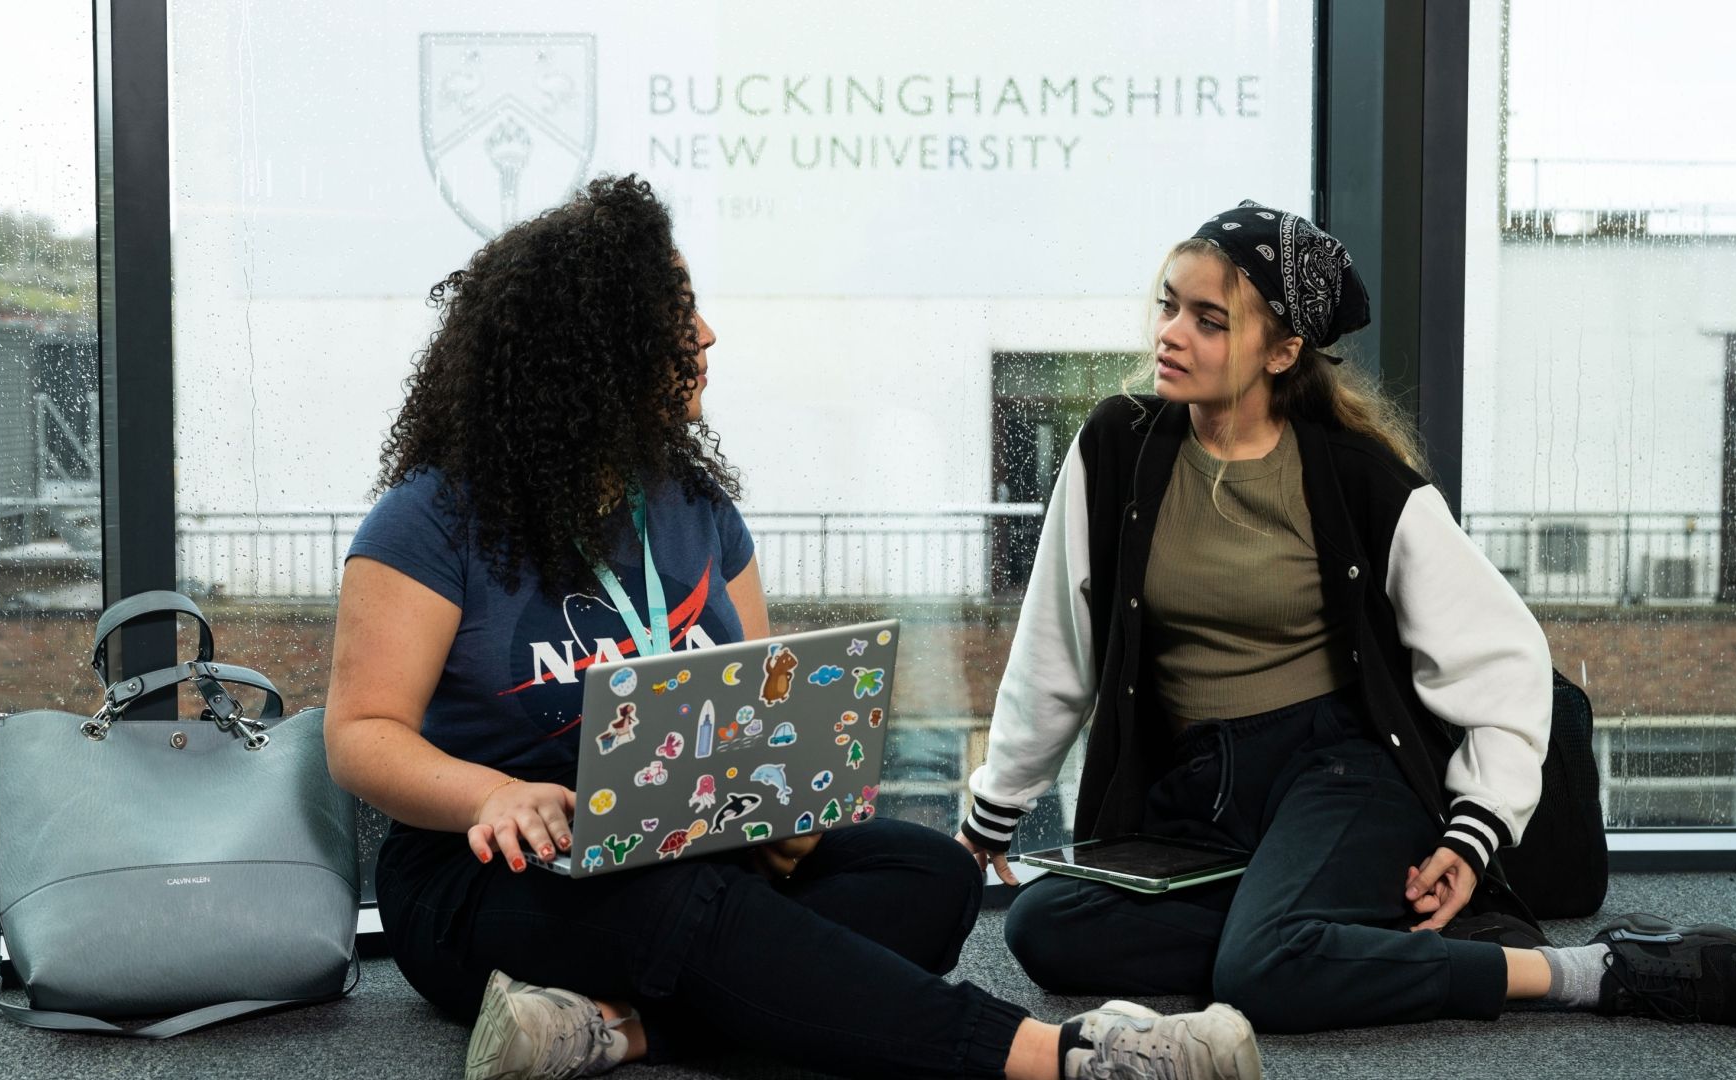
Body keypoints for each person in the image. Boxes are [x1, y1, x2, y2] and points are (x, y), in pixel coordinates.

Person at [322, 175, 1265, 1080]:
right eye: (674, 315)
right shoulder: (431, 520)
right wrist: (490, 795)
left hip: (675, 842)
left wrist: (779, 817)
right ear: (593, 348)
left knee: (928, 877)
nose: (706, 334)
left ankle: (613, 1033)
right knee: (687, 908)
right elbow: (361, 737)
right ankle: (1063, 1056)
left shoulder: (694, 507)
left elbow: (749, 711)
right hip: (485, 879)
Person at [958, 200, 1736, 1034]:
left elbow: (1504, 659)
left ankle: (1582, 972)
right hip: (1197, 789)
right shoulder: (1116, 446)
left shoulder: (1358, 478)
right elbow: (1057, 641)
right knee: (1046, 929)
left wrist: (1474, 834)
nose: (1171, 334)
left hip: (1338, 769)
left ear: (1283, 352)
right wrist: (998, 800)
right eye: (1169, 305)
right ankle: (1308, 930)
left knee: (1262, 977)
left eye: (1210, 321)